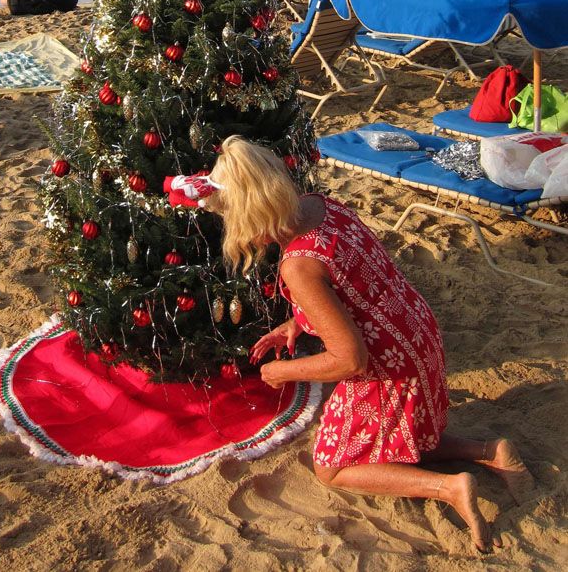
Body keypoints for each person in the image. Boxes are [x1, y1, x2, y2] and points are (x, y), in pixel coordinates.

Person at [199, 136, 534, 554]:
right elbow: (356, 284)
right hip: (417, 334)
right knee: (399, 437)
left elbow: (351, 359)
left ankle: (448, 488)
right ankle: (490, 451)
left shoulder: (297, 265)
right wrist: (298, 323)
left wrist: (281, 371)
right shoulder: (319, 206)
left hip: (392, 366)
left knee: (333, 465)